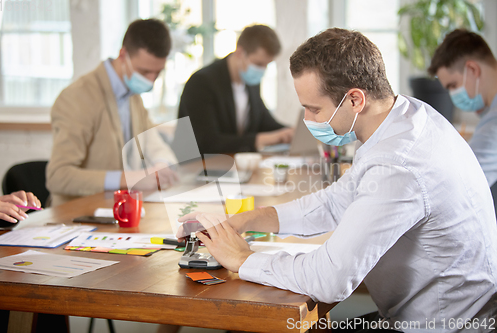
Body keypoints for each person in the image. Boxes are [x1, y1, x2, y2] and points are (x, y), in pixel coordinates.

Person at [179, 28, 497, 332]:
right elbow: (334, 202)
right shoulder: (406, 118)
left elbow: (331, 279)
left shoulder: (397, 164)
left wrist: (243, 258)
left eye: (314, 109)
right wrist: (247, 220)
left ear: (355, 100)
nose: (307, 120)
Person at [47, 19, 178, 206]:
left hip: (120, 210)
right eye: (144, 71)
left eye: (157, 72)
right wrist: (129, 178)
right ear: (123, 55)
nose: (151, 80)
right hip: (77, 214)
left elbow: (152, 141)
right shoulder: (77, 97)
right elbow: (58, 176)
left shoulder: (133, 96)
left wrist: (161, 165)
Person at [177, 24, 293, 154]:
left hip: (233, 165)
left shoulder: (251, 82)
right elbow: (208, 142)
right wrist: (260, 140)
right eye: (258, 64)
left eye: (266, 65)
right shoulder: (201, 82)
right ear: (240, 52)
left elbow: (264, 122)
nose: (262, 70)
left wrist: (290, 132)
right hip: (198, 167)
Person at [429, 29, 497, 188]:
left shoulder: (493, 124)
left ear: (473, 70)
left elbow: (464, 187)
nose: (453, 95)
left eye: (453, 85)